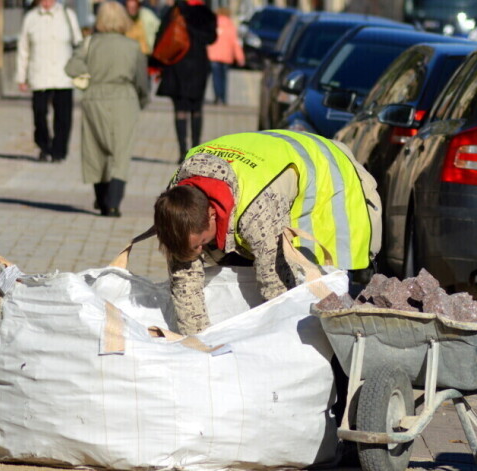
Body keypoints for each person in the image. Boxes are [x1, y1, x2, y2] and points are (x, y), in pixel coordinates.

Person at [153, 130, 381, 335]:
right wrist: (198, 344)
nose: (200, 252)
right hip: (271, 162)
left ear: (212, 214)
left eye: (200, 244)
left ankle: (343, 352)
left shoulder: (257, 211)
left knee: (319, 283)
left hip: (329, 174)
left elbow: (276, 287)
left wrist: (275, 344)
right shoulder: (175, 208)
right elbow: (185, 281)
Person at [65, 1, 149, 217]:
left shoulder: (89, 43)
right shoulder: (132, 46)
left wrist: (87, 74)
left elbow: (71, 67)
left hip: (95, 96)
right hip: (124, 98)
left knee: (96, 149)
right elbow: (141, 79)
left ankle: (101, 200)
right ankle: (113, 203)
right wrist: (142, 99)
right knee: (121, 151)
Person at [16, 0, 82, 162]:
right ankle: (44, 147)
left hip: (63, 75)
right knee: (39, 114)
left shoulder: (67, 15)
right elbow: (23, 48)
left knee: (63, 117)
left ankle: (59, 151)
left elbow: (79, 44)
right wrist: (21, 76)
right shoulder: (31, 18)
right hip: (39, 74)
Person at [154, 0, 217, 163]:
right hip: (198, 65)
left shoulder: (175, 10)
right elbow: (211, 38)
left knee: (180, 110)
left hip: (177, 64)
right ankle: (195, 149)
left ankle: (182, 151)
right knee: (196, 109)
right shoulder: (205, 13)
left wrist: (156, 65)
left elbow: (161, 35)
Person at [207, 7, 245, 105]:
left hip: (213, 55)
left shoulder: (212, 24)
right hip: (226, 56)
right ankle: (223, 97)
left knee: (216, 77)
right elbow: (235, 43)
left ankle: (217, 96)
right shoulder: (230, 26)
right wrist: (240, 57)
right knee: (223, 78)